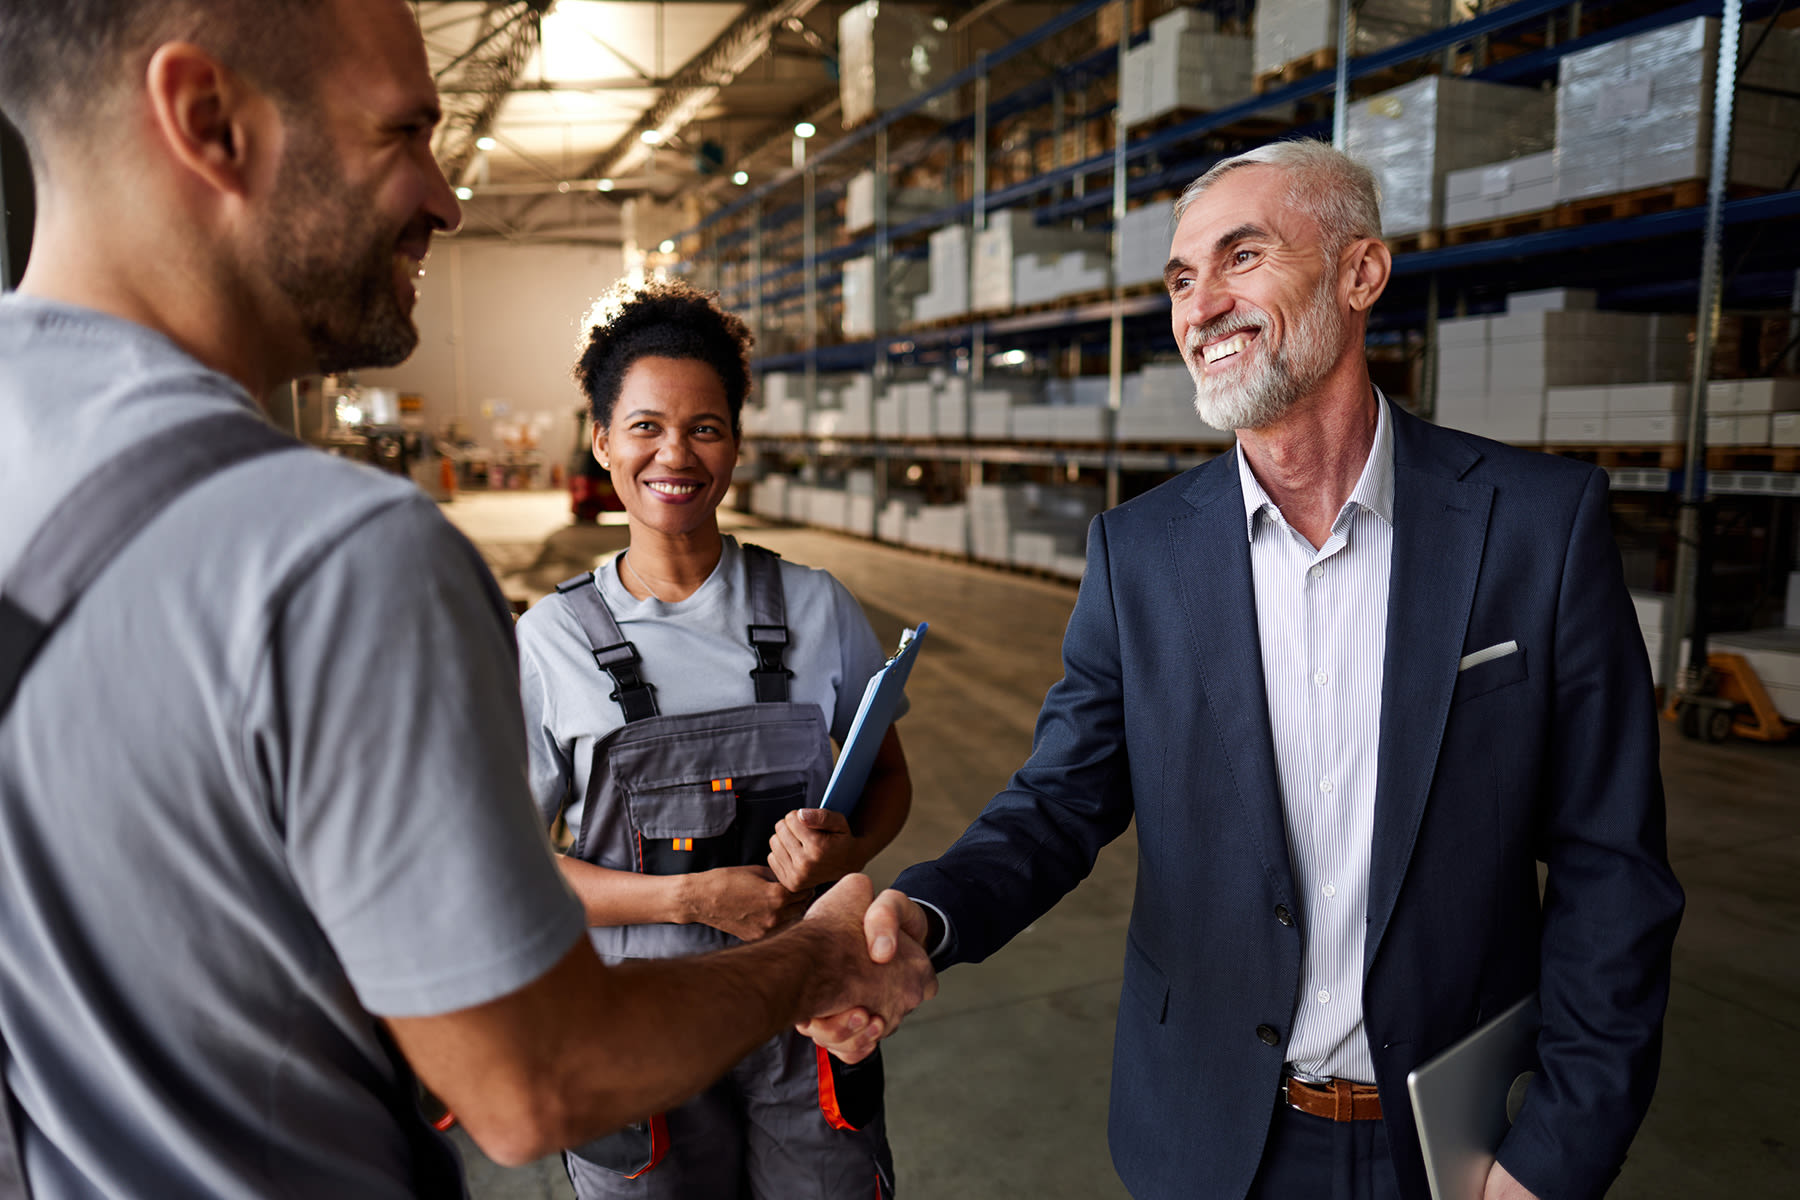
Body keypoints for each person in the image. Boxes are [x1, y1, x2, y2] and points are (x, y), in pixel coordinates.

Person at [0, 2, 932, 1197]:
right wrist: (810, 965)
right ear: (208, 120)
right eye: (403, 133)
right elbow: (532, 1082)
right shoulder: (337, 558)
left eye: (706, 428)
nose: (444, 197)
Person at [810, 139, 1684, 1200]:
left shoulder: (1535, 529)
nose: (1201, 305)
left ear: (1361, 273)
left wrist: (1552, 1157)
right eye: (1182, 279)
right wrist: (927, 919)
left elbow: (1612, 868)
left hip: (1455, 1142)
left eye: (1242, 256)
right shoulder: (1138, 556)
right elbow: (1058, 804)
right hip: (1210, 1140)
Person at [515, 278, 913, 1198]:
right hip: (636, 1027)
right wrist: (688, 899)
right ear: (603, 440)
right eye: (646, 426)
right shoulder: (548, 644)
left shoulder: (817, 608)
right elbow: (511, 868)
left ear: (735, 442)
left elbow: (887, 778)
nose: (676, 455)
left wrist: (846, 845)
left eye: (706, 427)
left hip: (809, 1015)